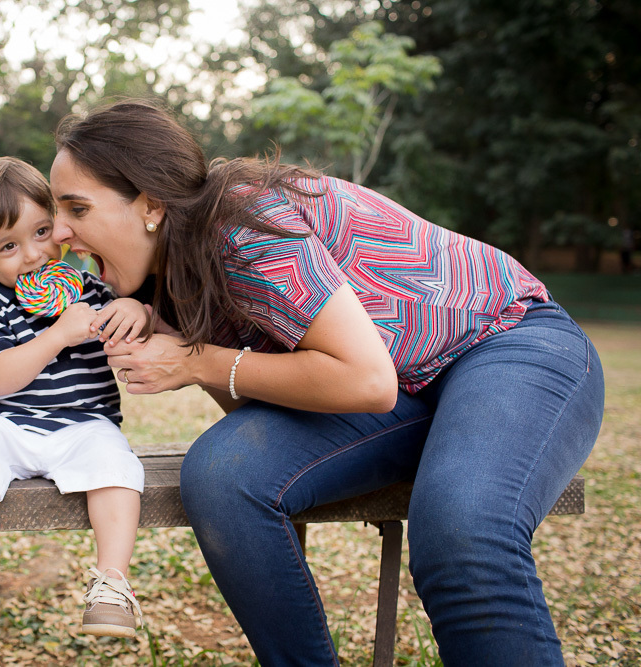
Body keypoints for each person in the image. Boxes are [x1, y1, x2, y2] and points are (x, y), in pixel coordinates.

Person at [47, 100, 605, 666]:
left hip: (507, 343)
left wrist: (195, 360)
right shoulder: (163, 274)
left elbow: (364, 379)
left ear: (152, 205)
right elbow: (257, 410)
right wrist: (171, 328)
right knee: (224, 473)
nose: (61, 233)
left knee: (462, 533)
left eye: (78, 208)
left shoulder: (242, 222)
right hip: (404, 391)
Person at [0, 157, 147, 638]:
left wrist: (132, 309)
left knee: (119, 467)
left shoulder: (86, 287)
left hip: (86, 424)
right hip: (7, 423)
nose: (35, 254)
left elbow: (135, 325)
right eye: (8, 246)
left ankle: (113, 583)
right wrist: (58, 334)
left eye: (42, 232)